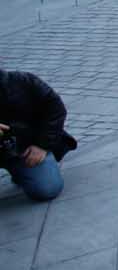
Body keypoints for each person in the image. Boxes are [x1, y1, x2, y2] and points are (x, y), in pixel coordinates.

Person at [0, 68, 76, 201]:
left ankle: (20, 170)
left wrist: (42, 145)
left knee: (47, 188)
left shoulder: (22, 81)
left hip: (24, 146)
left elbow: (55, 108)